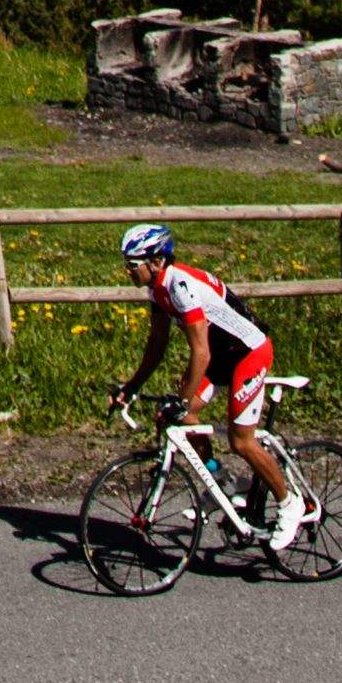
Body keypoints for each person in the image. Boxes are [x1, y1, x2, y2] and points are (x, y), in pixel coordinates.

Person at [108, 224, 303, 551]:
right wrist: (131, 387)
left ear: (155, 261)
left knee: (241, 441)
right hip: (221, 356)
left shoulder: (180, 285)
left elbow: (201, 352)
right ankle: (225, 484)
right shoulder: (157, 289)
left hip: (248, 353)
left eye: (132, 264)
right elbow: (157, 345)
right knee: (178, 418)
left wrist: (183, 400)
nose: (127, 271)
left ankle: (289, 503)